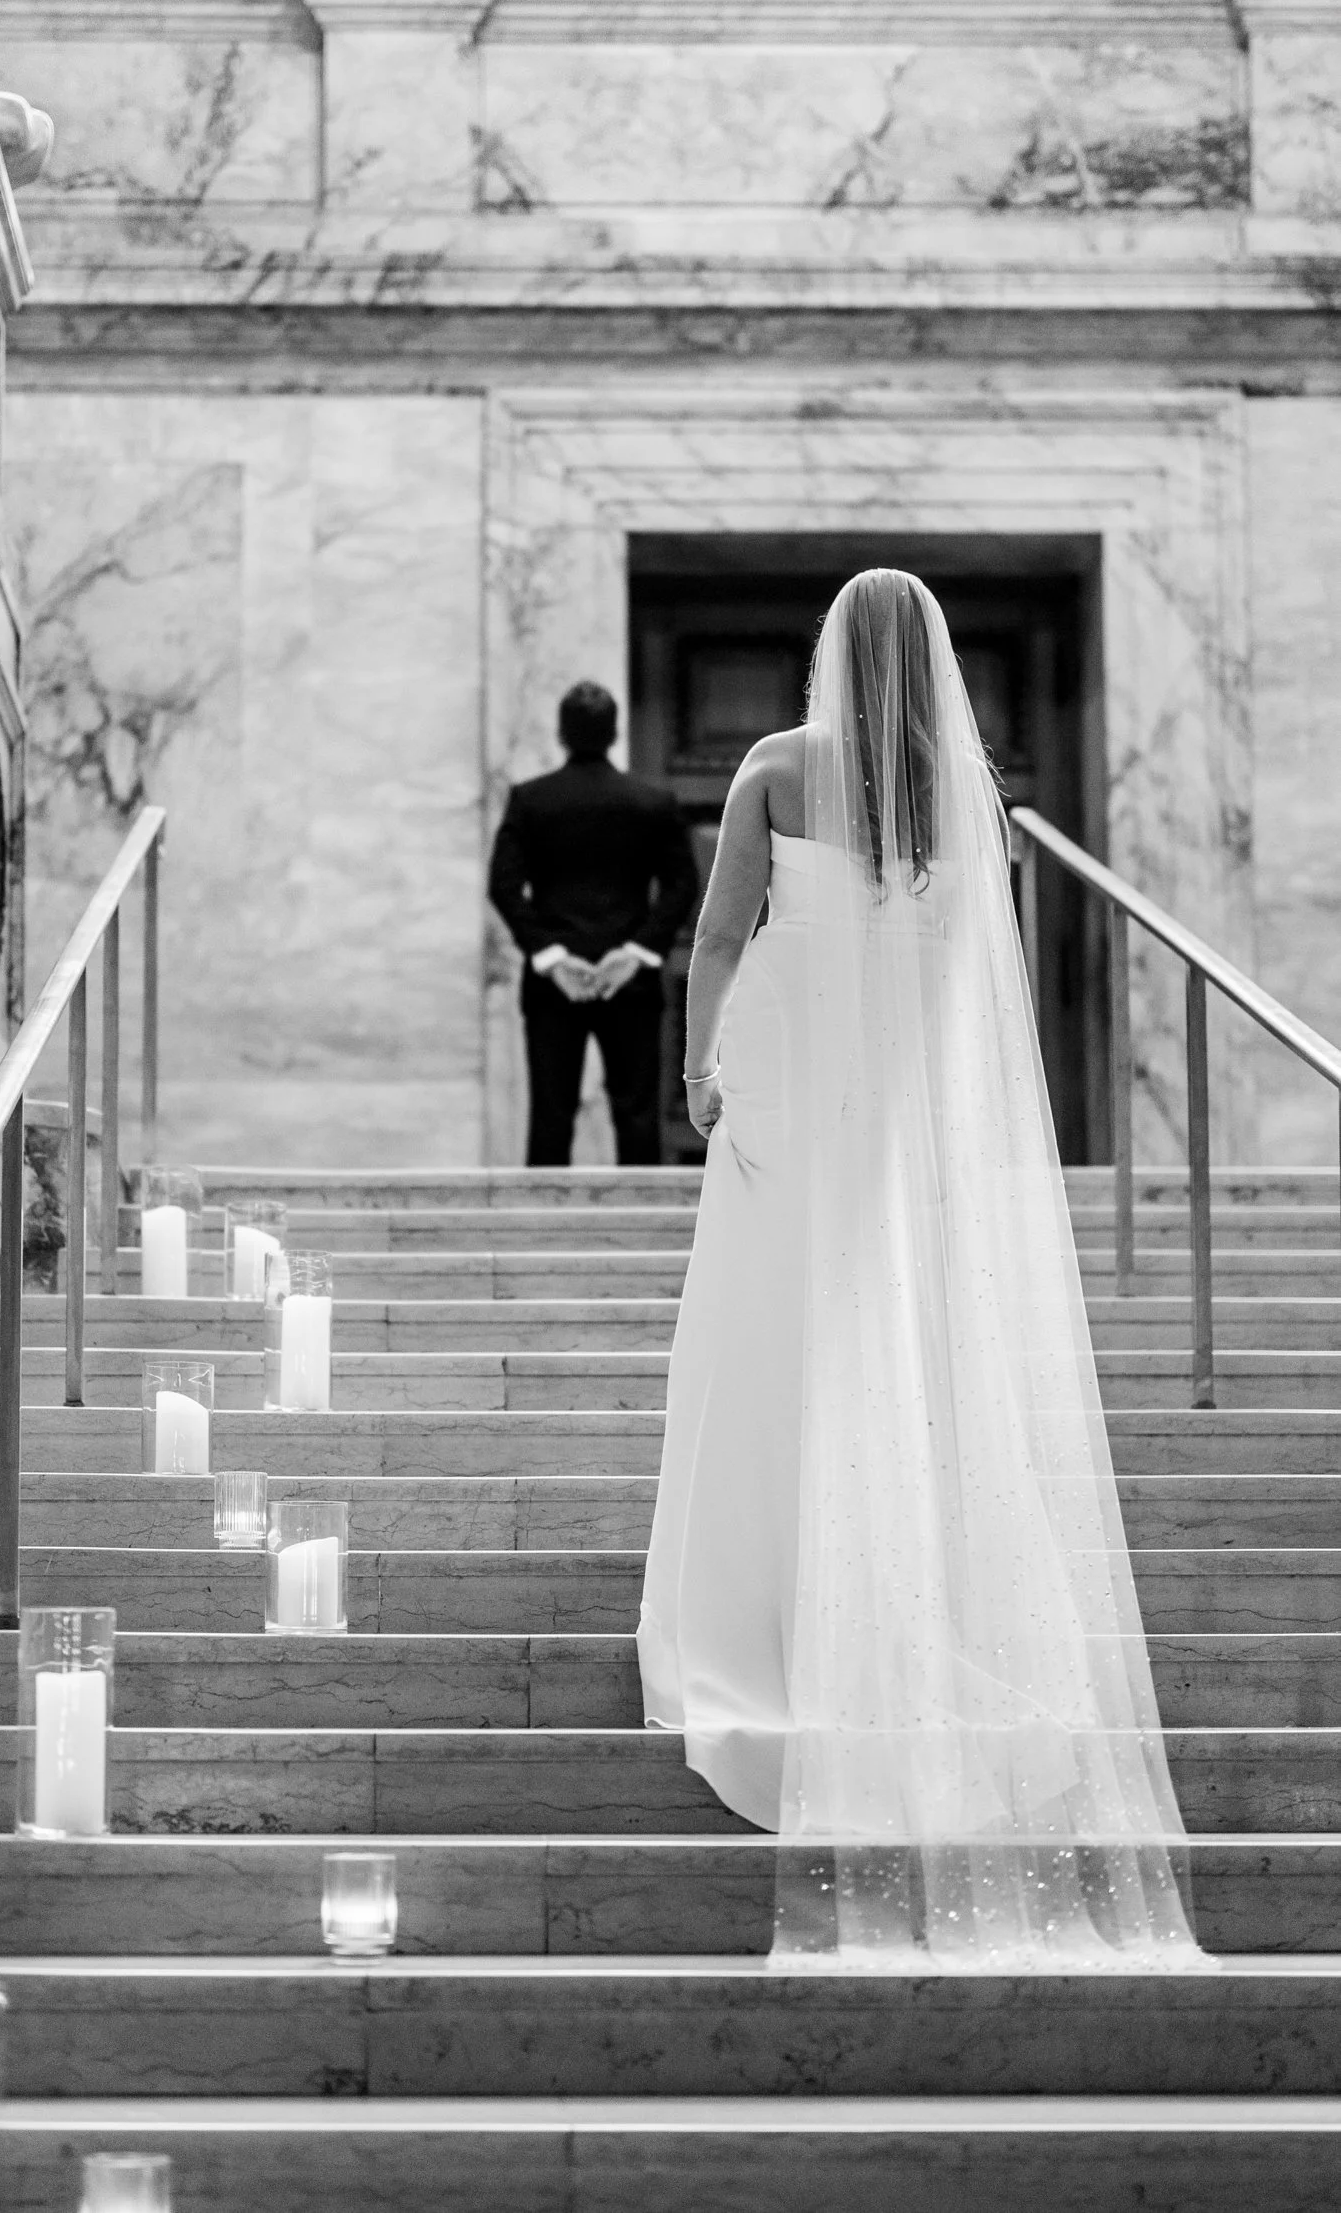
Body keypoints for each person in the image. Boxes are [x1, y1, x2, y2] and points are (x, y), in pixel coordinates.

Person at [638, 570, 1204, 1968]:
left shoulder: (772, 766)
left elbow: (716, 936)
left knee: (762, 1351)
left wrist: (700, 1078)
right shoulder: (969, 795)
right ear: (938, 660)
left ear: (831, 650)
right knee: (884, 1349)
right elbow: (967, 986)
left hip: (779, 1084)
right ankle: (904, 1614)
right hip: (892, 1111)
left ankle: (754, 1625)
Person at [489, 680, 699, 1167]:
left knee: (550, 1115)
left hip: (552, 984)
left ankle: (539, 1233)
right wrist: (637, 953)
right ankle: (642, 1231)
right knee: (639, 1113)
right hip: (631, 981)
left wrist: (552, 956)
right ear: (614, 733)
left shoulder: (530, 800)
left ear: (561, 734)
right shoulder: (652, 801)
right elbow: (682, 887)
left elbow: (502, 886)